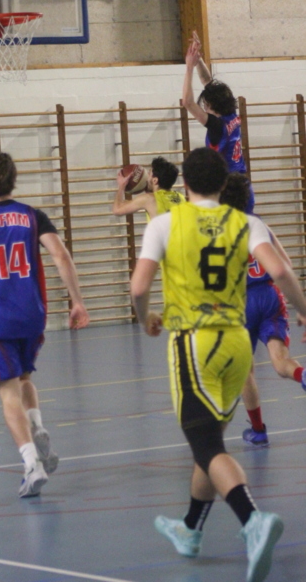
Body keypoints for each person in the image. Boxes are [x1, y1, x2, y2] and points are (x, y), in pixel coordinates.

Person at [131, 147, 306, 582]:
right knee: (207, 442)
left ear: (185, 184)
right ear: (223, 183)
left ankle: (253, 520)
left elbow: (138, 287)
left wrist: (146, 317)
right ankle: (190, 529)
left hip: (196, 343)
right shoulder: (246, 223)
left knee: (207, 445)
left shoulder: (165, 223)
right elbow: (282, 273)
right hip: (237, 344)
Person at [0, 151, 90, 498]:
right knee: (25, 377)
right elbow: (60, 255)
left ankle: (31, 465)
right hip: (31, 314)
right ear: (13, 179)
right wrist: (77, 301)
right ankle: (37, 427)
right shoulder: (33, 216)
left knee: (7, 392)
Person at [220, 172, 306, 446]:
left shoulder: (219, 230)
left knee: (245, 373)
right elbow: (286, 265)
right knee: (280, 361)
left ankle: (258, 431)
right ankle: (303, 375)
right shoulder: (259, 225)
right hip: (269, 296)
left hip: (238, 304)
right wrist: (301, 307)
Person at [183, 32, 255, 212]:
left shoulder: (217, 126)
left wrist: (189, 67)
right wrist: (198, 60)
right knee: (246, 227)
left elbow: (187, 103)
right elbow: (207, 81)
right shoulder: (231, 113)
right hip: (244, 186)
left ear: (209, 105)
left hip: (227, 189)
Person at [112, 156, 185, 220]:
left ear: (155, 180)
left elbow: (117, 210)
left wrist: (122, 185)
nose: (146, 177)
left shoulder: (149, 199)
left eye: (149, 173)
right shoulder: (180, 197)